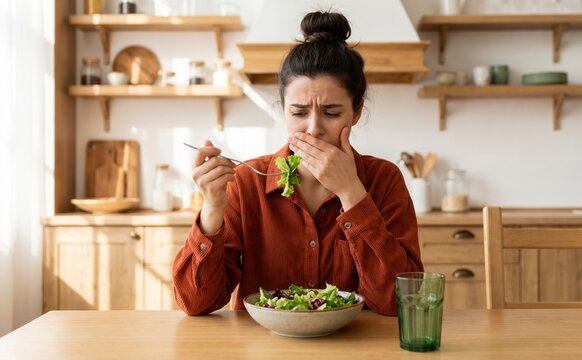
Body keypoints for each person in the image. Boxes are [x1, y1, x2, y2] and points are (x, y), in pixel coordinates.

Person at [173, 10, 423, 316]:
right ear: (282, 110)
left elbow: (400, 303)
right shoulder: (245, 181)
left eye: (331, 113)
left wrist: (352, 193)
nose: (314, 128)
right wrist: (212, 208)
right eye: (299, 112)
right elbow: (196, 303)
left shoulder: (384, 179)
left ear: (356, 112)